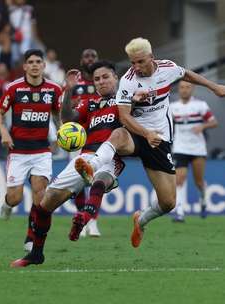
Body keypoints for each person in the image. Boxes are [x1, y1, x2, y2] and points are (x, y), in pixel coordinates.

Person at [73, 37, 225, 249]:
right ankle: (92, 166)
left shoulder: (167, 68)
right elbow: (124, 117)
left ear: (151, 58)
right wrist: (145, 132)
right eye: (132, 62)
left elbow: (186, 74)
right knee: (117, 134)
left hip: (159, 140)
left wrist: (213, 86)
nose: (136, 67)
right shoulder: (128, 80)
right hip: (136, 132)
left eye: (140, 62)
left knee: (168, 202)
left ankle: (141, 220)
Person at [10, 60, 125, 267]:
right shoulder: (89, 103)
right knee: (45, 205)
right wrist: (69, 90)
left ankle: (85, 217)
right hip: (85, 157)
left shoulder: (125, 101)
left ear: (116, 77)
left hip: (111, 156)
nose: (100, 82)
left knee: (101, 179)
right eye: (97, 79)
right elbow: (68, 119)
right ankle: (36, 254)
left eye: (105, 77)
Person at [0, 49, 62, 252]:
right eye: (30, 62)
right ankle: (7, 205)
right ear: (24, 66)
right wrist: (4, 132)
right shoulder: (14, 88)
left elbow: (57, 115)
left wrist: (61, 133)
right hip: (18, 151)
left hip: (42, 150)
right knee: (15, 198)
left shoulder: (54, 90)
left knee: (40, 196)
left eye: (38, 61)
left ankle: (31, 237)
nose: (34, 65)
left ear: (43, 65)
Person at [170, 81, 218, 222]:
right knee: (179, 180)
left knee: (198, 182)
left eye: (187, 87)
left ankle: (203, 201)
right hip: (180, 148)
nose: (184, 90)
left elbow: (214, 122)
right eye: (182, 87)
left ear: (193, 89)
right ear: (179, 90)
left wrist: (202, 126)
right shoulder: (173, 107)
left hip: (198, 149)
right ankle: (179, 212)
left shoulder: (200, 105)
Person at [68, 48, 102, 237]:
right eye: (86, 56)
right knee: (78, 181)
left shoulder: (103, 80)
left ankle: (93, 222)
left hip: (98, 134)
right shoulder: (75, 83)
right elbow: (65, 109)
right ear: (81, 60)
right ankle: (81, 217)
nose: (89, 59)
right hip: (77, 136)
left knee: (97, 179)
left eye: (93, 56)